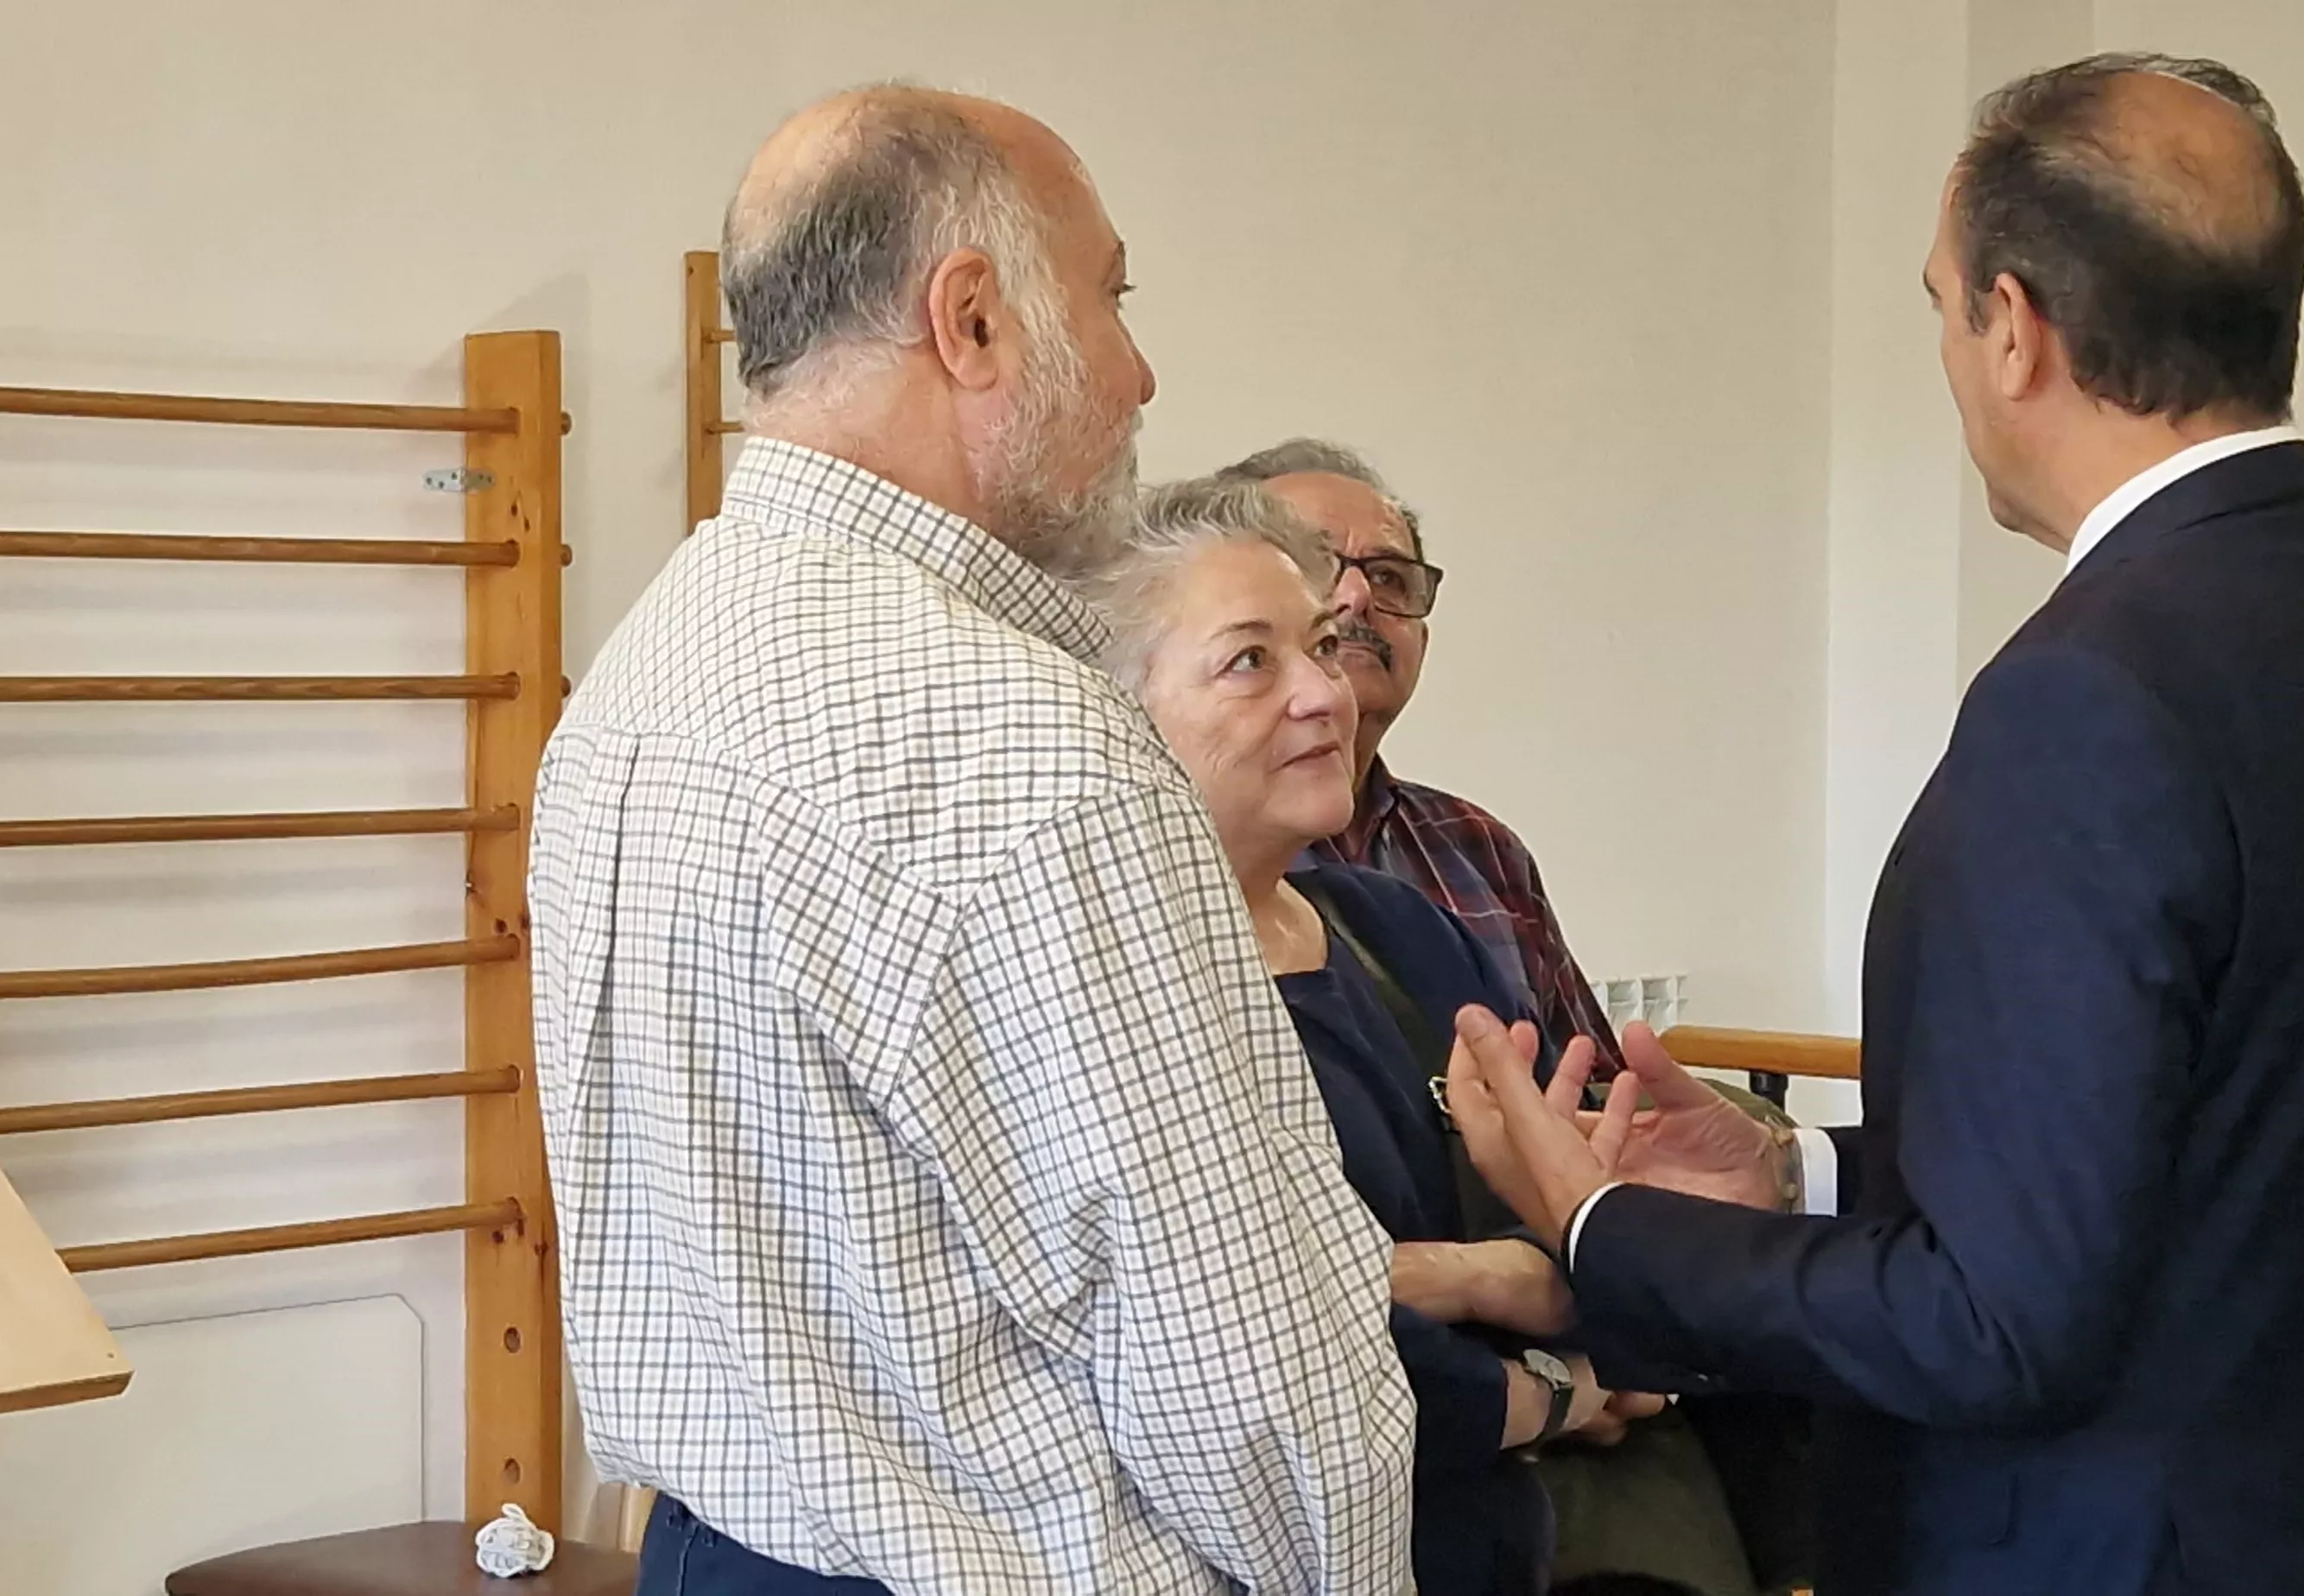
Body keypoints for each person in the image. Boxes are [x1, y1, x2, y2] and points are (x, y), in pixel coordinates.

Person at [1440, 53, 2304, 1596]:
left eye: (1940, 306)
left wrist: (1601, 1223)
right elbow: (2189, 1149)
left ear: (2016, 329)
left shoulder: (2093, 691)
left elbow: (1997, 1323)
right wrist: (1796, 1176)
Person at [528, 88, 1412, 1596]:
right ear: (975, 321)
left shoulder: (634, 683)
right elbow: (1238, 1364)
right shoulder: (1027, 745)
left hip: (715, 1556)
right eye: (1113, 296)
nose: (1141, 372)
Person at [1092, 475, 1711, 1596]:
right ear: (1117, 709)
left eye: (1321, 648)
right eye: (1249, 661)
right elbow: (1232, 1338)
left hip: (1479, 1546)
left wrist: (1547, 1253)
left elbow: (1562, 1239)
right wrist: (1493, 1304)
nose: (1325, 696)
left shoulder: (1396, 928)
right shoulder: (1118, 986)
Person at [1213, 440, 1624, 1075]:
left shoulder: (1480, 847)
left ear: (1422, 644)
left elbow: (1589, 1090)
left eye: (1389, 577)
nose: (1356, 597)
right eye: (1315, 562)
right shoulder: (1174, 851)